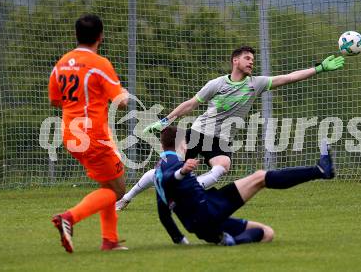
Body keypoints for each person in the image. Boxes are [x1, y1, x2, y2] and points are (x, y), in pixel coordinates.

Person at [116, 46, 344, 210]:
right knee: (165, 169)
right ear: (235, 61)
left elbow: (288, 77)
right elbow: (192, 104)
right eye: (247, 58)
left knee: (222, 166)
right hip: (199, 132)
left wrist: (319, 68)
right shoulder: (217, 84)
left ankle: (188, 193)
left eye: (252, 59)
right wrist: (166, 120)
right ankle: (126, 198)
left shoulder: (256, 83)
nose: (251, 62)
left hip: (221, 139)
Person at [154, 126, 334, 245]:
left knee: (266, 233)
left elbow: (164, 212)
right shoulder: (172, 163)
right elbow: (172, 177)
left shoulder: (159, 169)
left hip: (202, 224)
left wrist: (179, 239)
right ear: (180, 143)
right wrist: (182, 172)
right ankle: (320, 170)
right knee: (260, 177)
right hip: (208, 211)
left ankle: (226, 240)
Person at [48, 14, 129, 253]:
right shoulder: (99, 64)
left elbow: (55, 100)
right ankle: (69, 218)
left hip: (71, 135)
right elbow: (121, 101)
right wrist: (122, 92)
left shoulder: (61, 63)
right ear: (100, 36)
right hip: (93, 135)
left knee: (107, 186)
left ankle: (109, 241)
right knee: (117, 190)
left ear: (76, 35)